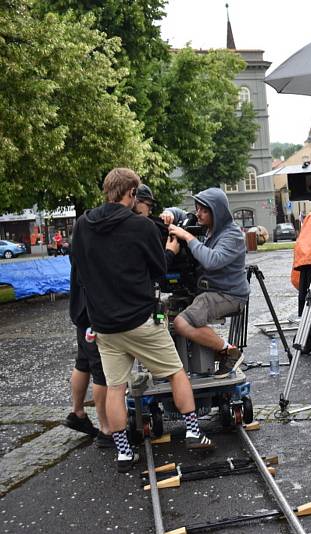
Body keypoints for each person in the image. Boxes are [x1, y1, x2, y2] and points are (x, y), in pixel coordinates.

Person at [70, 168, 214, 473]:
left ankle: (123, 452)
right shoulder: (141, 227)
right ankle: (193, 431)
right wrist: (171, 250)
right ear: (131, 193)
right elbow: (160, 271)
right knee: (176, 373)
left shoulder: (82, 225)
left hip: (104, 325)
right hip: (140, 319)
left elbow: (79, 266)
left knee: (115, 388)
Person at [167, 188, 249, 378]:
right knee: (168, 318)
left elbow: (213, 260)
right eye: (197, 209)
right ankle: (212, 354)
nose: (198, 214)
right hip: (210, 291)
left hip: (229, 295)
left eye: (204, 210)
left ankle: (230, 352)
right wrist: (169, 213)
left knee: (181, 323)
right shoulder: (207, 226)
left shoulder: (232, 235)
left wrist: (188, 237)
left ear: (216, 211)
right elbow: (181, 214)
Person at [64, 272, 112, 449]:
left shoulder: (78, 243)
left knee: (83, 362)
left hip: (80, 308)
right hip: (94, 309)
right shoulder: (93, 242)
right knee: (101, 370)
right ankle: (106, 430)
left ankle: (77, 413)